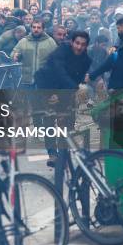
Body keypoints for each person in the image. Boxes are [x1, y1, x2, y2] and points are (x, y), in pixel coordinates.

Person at [34, 31, 91, 166]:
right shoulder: (62, 50)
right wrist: (52, 95)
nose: (79, 47)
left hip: (66, 89)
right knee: (49, 121)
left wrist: (79, 90)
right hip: (47, 85)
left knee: (68, 121)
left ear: (86, 46)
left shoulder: (86, 60)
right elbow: (60, 72)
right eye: (77, 43)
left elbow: (78, 79)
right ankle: (52, 154)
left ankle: (63, 153)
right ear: (72, 42)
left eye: (83, 45)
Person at [12, 19, 57, 88]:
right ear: (30, 28)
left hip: (44, 81)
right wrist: (15, 55)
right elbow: (14, 52)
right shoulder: (24, 41)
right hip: (27, 80)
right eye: (34, 27)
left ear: (43, 29)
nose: (36, 29)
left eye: (39, 27)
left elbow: (57, 58)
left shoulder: (50, 41)